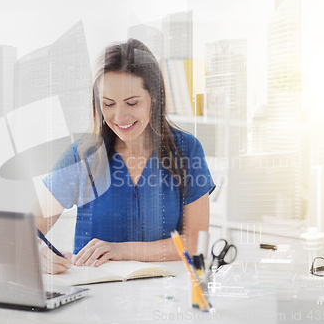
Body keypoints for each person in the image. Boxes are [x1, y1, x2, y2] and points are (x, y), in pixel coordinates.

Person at [35, 39, 215, 274]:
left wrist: (121, 250)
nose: (119, 116)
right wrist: (38, 254)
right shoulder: (83, 156)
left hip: (164, 295)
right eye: (108, 104)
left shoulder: (188, 151)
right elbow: (26, 230)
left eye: (132, 102)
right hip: (94, 301)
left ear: (155, 98)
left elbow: (194, 244)